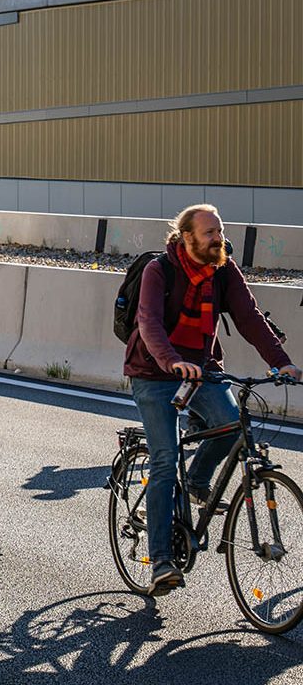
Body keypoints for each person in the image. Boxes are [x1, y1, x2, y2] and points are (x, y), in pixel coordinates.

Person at [125, 204, 300, 596]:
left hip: (202, 369)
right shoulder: (160, 270)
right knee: (166, 460)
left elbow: (249, 318)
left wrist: (282, 362)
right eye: (209, 233)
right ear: (187, 237)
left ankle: (197, 484)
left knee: (230, 427)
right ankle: (161, 562)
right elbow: (148, 322)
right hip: (154, 373)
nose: (218, 238)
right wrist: (171, 361)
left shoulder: (223, 270)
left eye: (219, 231)